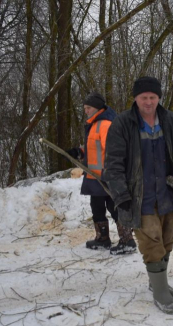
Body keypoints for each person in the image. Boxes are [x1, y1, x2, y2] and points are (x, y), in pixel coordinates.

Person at [103, 77, 173, 314]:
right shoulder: (122, 124)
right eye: (143, 97)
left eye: (152, 97)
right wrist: (121, 195)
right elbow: (113, 163)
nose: (148, 102)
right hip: (139, 196)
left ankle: (157, 281)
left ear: (159, 98)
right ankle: (160, 292)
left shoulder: (170, 121)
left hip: (167, 193)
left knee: (167, 239)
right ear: (135, 98)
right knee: (152, 242)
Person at [67, 92, 136, 255]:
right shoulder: (94, 124)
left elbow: (115, 151)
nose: (86, 111)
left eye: (89, 108)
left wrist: (113, 173)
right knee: (96, 207)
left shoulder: (104, 124)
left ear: (98, 108)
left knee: (114, 207)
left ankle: (127, 241)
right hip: (94, 176)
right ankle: (102, 238)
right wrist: (79, 152)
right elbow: (95, 149)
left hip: (106, 176)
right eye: (84, 108)